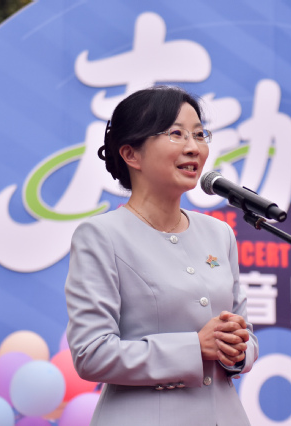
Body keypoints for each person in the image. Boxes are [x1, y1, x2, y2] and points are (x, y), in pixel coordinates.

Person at [64, 86, 258, 425]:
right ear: (131, 155)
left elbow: (246, 336)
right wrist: (194, 348)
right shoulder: (101, 236)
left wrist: (238, 349)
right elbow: (91, 353)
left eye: (199, 134)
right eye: (176, 134)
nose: (193, 147)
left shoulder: (219, 233)